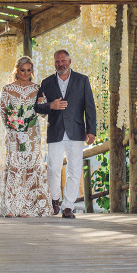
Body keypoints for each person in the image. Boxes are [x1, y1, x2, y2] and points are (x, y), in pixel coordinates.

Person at [0, 56, 52, 218]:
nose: (25, 73)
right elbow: (3, 112)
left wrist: (42, 103)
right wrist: (13, 130)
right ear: (17, 70)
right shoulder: (7, 88)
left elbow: (42, 113)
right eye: (22, 70)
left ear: (32, 71)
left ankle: (27, 207)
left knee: (31, 167)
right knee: (14, 166)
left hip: (32, 134)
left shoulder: (38, 88)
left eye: (28, 70)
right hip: (13, 134)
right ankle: (10, 207)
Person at [35, 49, 96, 219]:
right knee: (53, 168)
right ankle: (55, 199)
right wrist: (51, 106)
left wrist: (91, 130)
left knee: (74, 170)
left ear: (69, 61)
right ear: (54, 63)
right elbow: (38, 107)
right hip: (55, 131)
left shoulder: (82, 80)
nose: (60, 64)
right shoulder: (46, 82)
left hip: (76, 131)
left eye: (63, 61)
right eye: (57, 61)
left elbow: (90, 106)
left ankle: (68, 206)